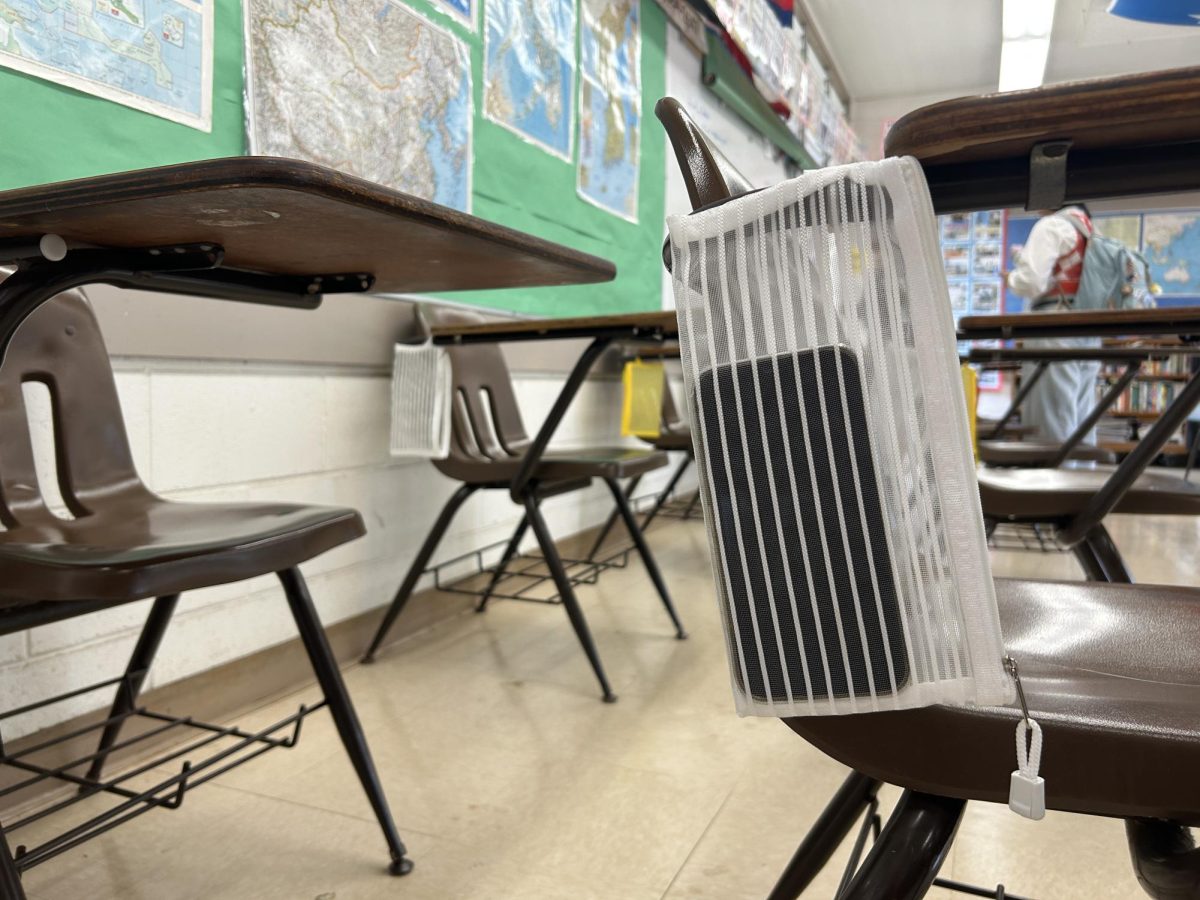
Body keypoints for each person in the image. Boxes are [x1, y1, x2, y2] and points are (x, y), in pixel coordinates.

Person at [1006, 204, 1101, 444]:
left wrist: (1011, 278)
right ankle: (1082, 477)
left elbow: (1031, 283)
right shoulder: (1090, 231)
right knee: (1082, 413)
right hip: (1090, 325)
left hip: (1054, 324)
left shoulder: (1051, 226)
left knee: (1052, 413)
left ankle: (1050, 477)